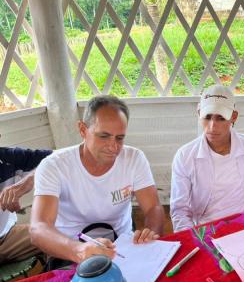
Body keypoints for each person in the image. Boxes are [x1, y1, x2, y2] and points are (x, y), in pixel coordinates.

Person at [30, 95, 165, 264]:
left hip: (122, 245)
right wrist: (79, 250)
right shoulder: (55, 166)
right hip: (70, 249)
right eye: (104, 136)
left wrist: (150, 232)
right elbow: (38, 228)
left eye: (119, 138)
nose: (113, 146)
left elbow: (153, 207)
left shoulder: (134, 158)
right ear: (82, 130)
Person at [170, 84, 244, 232]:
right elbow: (180, 211)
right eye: (207, 117)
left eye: (220, 118)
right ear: (199, 113)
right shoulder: (185, 156)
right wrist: (193, 241)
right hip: (210, 231)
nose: (212, 126)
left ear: (233, 117)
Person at [0, 147, 52, 263]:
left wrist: (29, 179)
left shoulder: (9, 157)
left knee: (58, 235)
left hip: (6, 237)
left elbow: (63, 158)